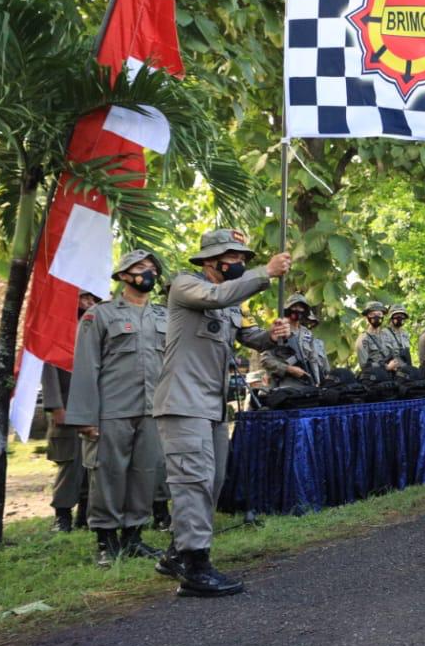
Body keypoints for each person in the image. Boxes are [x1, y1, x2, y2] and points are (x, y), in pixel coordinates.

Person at [153, 228, 291, 597]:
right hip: (183, 403)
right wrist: (265, 272)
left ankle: (175, 554)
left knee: (211, 483)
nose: (241, 262)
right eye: (235, 257)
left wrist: (273, 335)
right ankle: (195, 568)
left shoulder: (230, 303)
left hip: (212, 406)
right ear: (212, 260)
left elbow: (249, 336)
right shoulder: (187, 285)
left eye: (244, 258)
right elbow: (216, 297)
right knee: (193, 481)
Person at [63, 250, 166, 566]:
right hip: (111, 411)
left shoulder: (164, 316)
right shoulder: (99, 315)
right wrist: (85, 416)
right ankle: (106, 541)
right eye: (140, 267)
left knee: (145, 473)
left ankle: (134, 537)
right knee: (107, 475)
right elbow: (86, 366)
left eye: (152, 268)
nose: (147, 273)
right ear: (122, 275)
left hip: (152, 410)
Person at [43, 289, 100, 533]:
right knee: (70, 464)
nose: (90, 303)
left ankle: (85, 515)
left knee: (92, 465)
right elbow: (49, 371)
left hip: (94, 408)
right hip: (67, 407)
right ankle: (62, 516)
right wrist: (56, 406)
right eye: (85, 298)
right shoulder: (58, 333)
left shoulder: (96, 331)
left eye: (93, 299)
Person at [262, 293, 329, 388]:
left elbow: (314, 359)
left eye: (301, 307)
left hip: (308, 384)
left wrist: (318, 381)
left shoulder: (307, 334)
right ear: (287, 309)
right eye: (294, 307)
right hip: (285, 384)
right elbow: (265, 360)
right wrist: (289, 369)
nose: (298, 310)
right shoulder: (279, 330)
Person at [355, 301, 404, 373]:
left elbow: (396, 354)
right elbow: (364, 365)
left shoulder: (387, 335)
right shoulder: (363, 339)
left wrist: (397, 364)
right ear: (366, 317)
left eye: (379, 314)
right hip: (375, 377)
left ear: (383, 316)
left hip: (392, 376)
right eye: (372, 314)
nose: (376, 316)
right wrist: (386, 367)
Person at [385, 304, 413, 368]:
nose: (400, 318)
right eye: (397, 315)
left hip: (406, 368)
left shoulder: (405, 334)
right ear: (391, 317)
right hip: (393, 369)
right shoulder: (385, 333)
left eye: (402, 316)